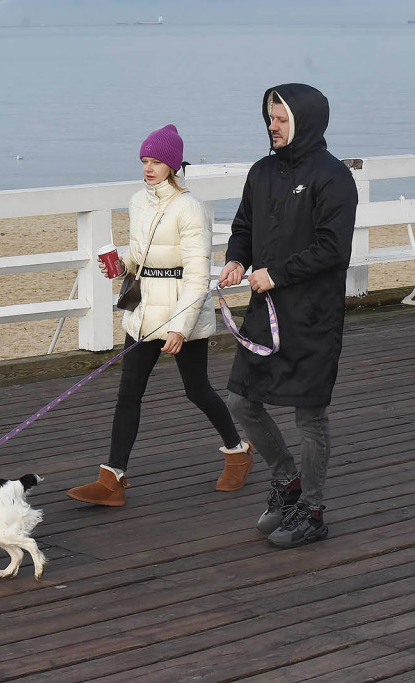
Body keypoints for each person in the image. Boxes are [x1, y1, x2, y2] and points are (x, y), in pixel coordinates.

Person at [67, 124, 253, 507]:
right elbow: (142, 254)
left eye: (156, 161)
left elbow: (198, 273)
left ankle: (238, 451)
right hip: (143, 310)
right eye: (144, 161)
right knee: (128, 393)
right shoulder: (138, 201)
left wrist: (180, 328)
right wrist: (121, 265)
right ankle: (112, 478)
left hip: (180, 312)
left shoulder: (190, 208)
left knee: (197, 390)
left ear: (173, 164)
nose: (149, 168)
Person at [218, 84, 358, 549]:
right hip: (266, 311)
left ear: (305, 120)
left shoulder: (333, 177)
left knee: (310, 417)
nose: (271, 126)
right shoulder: (261, 172)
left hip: (313, 316)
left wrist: (277, 273)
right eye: (269, 117)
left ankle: (313, 511)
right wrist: (237, 260)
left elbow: (334, 249)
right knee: (242, 400)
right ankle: (287, 479)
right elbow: (244, 227)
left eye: (280, 119)